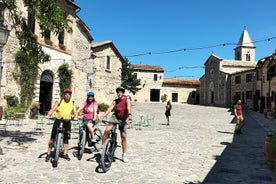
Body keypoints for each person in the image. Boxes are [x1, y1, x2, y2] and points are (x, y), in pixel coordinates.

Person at [99, 86, 132, 163]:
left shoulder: (127, 99)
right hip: (115, 117)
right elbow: (109, 109)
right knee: (107, 130)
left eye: (120, 92)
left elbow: (128, 108)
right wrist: (102, 116)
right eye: (118, 92)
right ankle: (103, 146)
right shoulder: (115, 101)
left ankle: (124, 155)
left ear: (123, 93)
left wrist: (129, 117)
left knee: (123, 136)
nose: (119, 93)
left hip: (123, 118)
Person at [45, 88, 78, 162]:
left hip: (67, 122)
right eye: (66, 94)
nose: (67, 95)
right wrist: (48, 115)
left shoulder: (72, 102)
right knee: (52, 138)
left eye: (69, 94)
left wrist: (76, 116)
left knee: (66, 138)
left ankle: (65, 153)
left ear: (70, 95)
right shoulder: (59, 101)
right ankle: (48, 153)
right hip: (58, 120)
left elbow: (75, 111)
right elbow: (53, 109)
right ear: (64, 95)